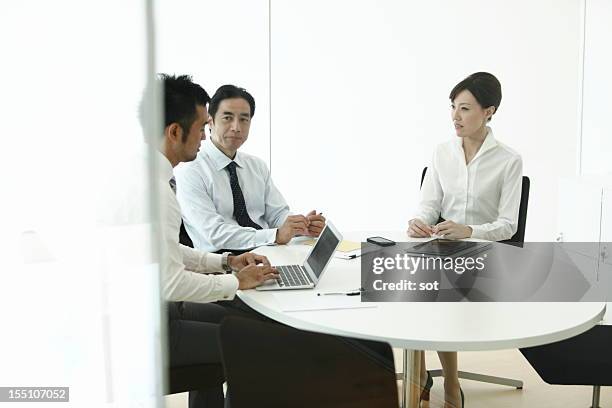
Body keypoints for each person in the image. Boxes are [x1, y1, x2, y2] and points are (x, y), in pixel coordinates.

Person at [143, 74, 279, 408]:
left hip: (161, 313)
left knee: (243, 324)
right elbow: (171, 282)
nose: (206, 136)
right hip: (151, 329)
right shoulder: (159, 191)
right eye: (204, 126)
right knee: (259, 341)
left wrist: (225, 263)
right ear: (175, 131)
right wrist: (235, 281)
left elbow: (168, 252)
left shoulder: (150, 176)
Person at [408, 72, 523, 408]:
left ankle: (451, 384)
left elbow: (508, 226)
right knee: (396, 279)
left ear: (490, 111)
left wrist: (469, 231)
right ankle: (418, 373)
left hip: (486, 252)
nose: (455, 117)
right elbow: (430, 205)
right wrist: (420, 222)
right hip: (443, 246)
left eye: (465, 108)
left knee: (437, 293)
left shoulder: (508, 160)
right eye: (453, 108)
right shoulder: (442, 152)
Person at [174, 84, 325, 253]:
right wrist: (275, 235)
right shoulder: (190, 170)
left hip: (268, 252)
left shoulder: (257, 166)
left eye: (244, 119)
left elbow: (277, 214)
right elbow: (214, 233)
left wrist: (300, 225)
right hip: (222, 264)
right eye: (227, 118)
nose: (236, 127)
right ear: (210, 121)